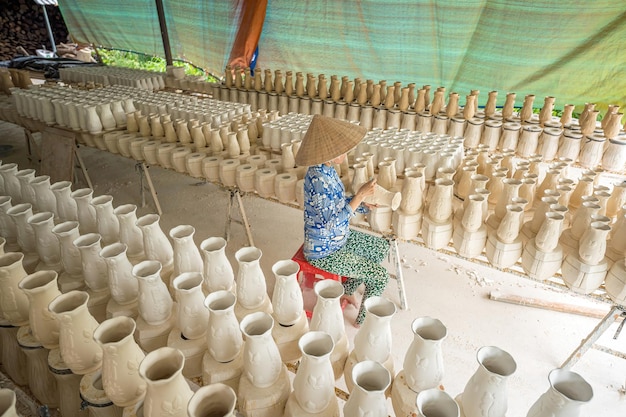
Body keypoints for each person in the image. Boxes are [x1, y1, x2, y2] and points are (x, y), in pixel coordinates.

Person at [295, 114, 390, 326]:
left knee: (380, 249)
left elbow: (336, 204)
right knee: (381, 276)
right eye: (342, 150)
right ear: (328, 152)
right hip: (324, 250)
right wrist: (360, 196)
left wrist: (364, 204)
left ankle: (346, 291)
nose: (346, 153)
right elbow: (331, 222)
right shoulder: (318, 178)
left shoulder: (327, 170)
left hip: (337, 238)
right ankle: (363, 321)